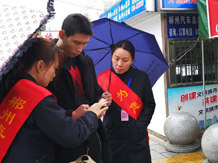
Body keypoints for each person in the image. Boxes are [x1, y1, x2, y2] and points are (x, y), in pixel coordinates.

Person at [0, 38, 108, 163]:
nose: (54, 75)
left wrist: (71, 115)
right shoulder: (37, 97)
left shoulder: (14, 87)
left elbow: (40, 120)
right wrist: (92, 114)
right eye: (55, 68)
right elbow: (72, 135)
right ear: (40, 65)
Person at [49, 14, 112, 163]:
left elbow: (94, 90)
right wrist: (71, 114)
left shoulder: (85, 61)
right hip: (62, 140)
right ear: (61, 34)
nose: (80, 48)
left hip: (90, 134)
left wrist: (102, 99)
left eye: (84, 44)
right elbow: (42, 106)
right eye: (76, 42)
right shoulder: (47, 61)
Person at [97, 40, 156, 163]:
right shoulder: (103, 79)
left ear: (132, 60)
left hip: (136, 135)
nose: (119, 64)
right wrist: (102, 100)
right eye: (116, 58)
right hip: (112, 134)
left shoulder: (141, 77)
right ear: (111, 56)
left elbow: (149, 104)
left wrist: (140, 126)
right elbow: (95, 105)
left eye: (125, 60)